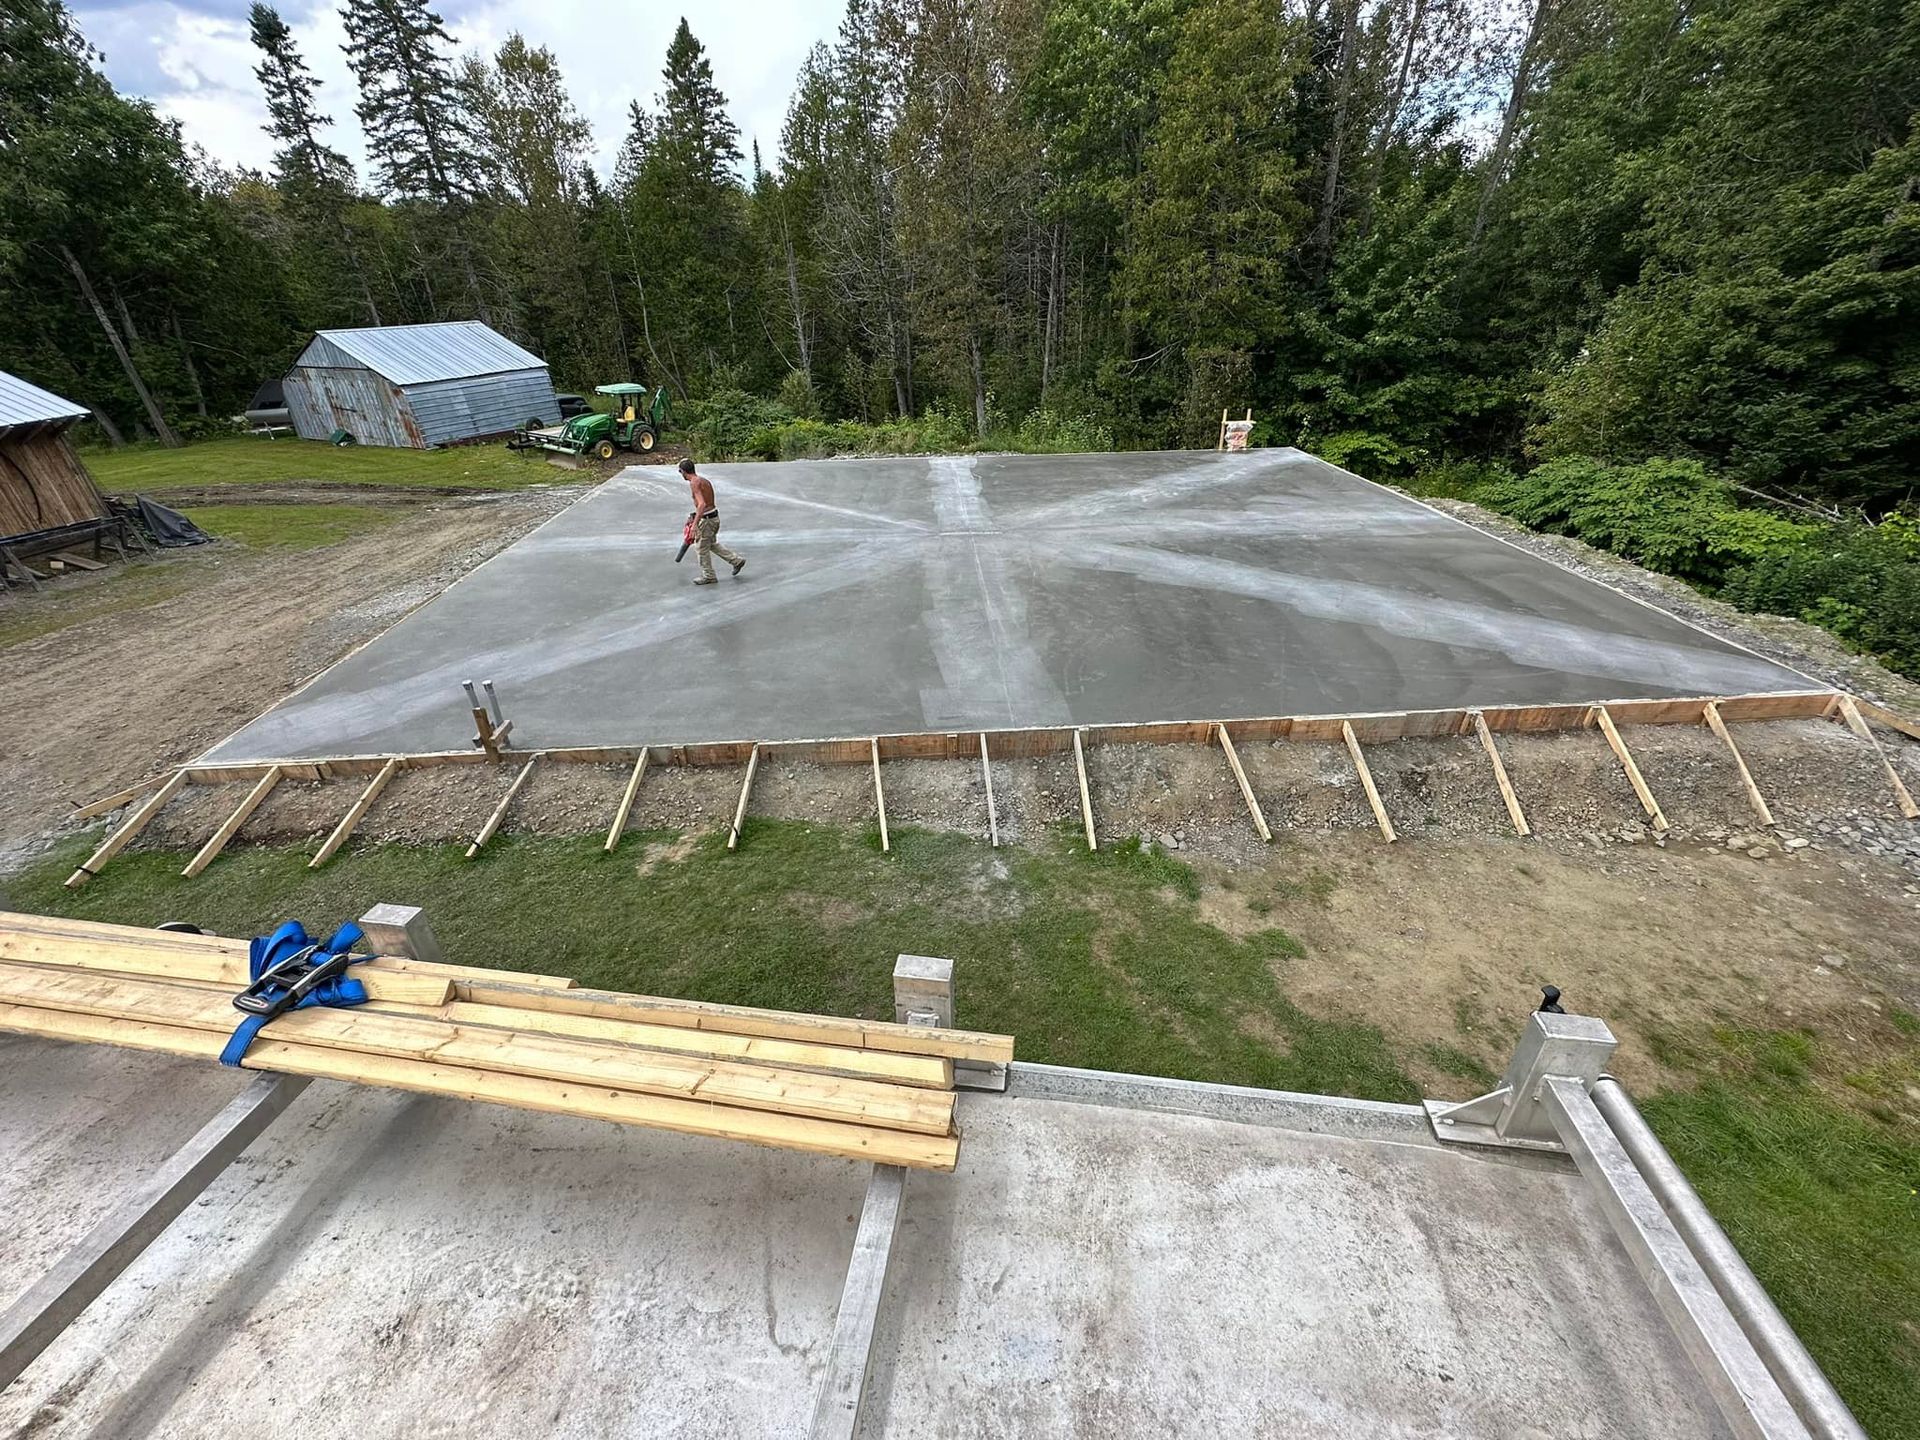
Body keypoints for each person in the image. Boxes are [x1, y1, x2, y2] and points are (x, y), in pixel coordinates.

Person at [680, 456, 745, 585]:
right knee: (710, 544)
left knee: (701, 548)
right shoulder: (704, 480)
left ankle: (709, 576)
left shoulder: (694, 483)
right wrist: (694, 515)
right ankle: (736, 561)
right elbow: (708, 504)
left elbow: (702, 504)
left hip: (707, 521)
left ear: (683, 471)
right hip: (714, 517)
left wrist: (694, 525)